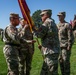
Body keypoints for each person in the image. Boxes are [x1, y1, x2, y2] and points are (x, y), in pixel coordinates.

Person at [35, 9, 60, 75]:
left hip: (50, 53)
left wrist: (33, 31)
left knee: (51, 72)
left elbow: (39, 35)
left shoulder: (47, 22)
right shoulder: (53, 22)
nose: (41, 17)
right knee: (44, 72)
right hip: (52, 51)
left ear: (48, 15)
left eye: (42, 15)